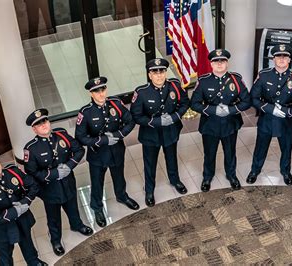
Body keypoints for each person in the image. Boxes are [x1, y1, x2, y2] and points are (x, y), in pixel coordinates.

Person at [23, 109, 93, 256]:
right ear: (34, 129)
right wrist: (54, 174)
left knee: (73, 207)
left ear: (49, 122)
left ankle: (77, 225)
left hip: (68, 182)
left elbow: (79, 150)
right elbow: (31, 174)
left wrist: (69, 166)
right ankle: (55, 239)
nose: (43, 125)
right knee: (53, 217)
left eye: (44, 121)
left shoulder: (62, 135)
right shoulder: (31, 149)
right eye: (38, 124)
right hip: (50, 189)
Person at [75, 77, 139, 228]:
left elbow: (130, 121)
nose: (101, 94)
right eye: (96, 92)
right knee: (97, 182)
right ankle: (97, 208)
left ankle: (122, 196)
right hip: (97, 154)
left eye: (103, 90)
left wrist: (118, 135)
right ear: (91, 94)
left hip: (116, 150)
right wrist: (102, 140)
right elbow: (80, 137)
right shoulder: (86, 112)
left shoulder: (115, 104)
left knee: (119, 176)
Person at [246, 44, 292, 185]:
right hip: (267, 118)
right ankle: (255, 170)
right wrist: (269, 108)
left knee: (286, 148)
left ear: (289, 59)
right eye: (278, 56)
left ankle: (285, 171)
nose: (281, 59)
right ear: (273, 59)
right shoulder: (264, 74)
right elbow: (253, 98)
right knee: (260, 147)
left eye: (285, 56)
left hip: (287, 120)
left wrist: (287, 112)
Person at [130, 58, 189, 207]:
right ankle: (149, 190)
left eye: (162, 71)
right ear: (150, 75)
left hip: (170, 130)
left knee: (172, 158)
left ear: (165, 73)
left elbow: (184, 103)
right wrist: (157, 122)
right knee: (150, 163)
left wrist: (175, 117)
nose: (159, 75)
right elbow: (136, 116)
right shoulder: (141, 92)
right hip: (150, 134)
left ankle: (175, 180)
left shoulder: (174, 86)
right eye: (155, 72)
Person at [190, 49, 251, 192]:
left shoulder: (236, 79)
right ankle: (207, 177)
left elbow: (246, 101)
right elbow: (194, 103)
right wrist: (213, 110)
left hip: (230, 124)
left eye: (222, 61)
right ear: (211, 64)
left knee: (230, 152)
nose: (219, 64)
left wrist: (231, 110)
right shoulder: (203, 81)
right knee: (209, 153)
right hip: (210, 125)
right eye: (216, 61)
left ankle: (232, 175)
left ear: (227, 63)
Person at [0, 148, 47, 266]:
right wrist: (14, 212)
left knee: (28, 244)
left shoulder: (13, 172)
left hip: (22, 221)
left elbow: (33, 186)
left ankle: (34, 262)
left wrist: (26, 201)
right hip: (2, 229)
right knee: (5, 256)